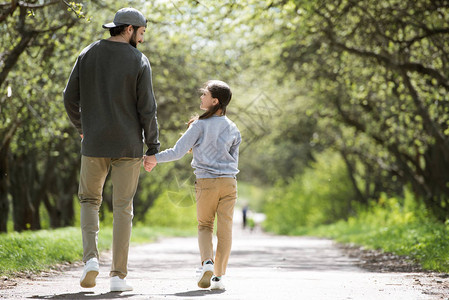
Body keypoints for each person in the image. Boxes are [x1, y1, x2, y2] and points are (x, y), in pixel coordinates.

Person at [63, 7, 159, 292]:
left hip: (94, 143)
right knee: (123, 208)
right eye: (141, 33)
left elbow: (69, 97)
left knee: (90, 201)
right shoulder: (139, 60)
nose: (141, 40)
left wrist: (83, 127)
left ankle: (90, 260)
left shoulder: (88, 53)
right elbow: (148, 109)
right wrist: (153, 145)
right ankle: (118, 277)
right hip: (128, 146)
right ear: (129, 29)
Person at [144, 80, 241, 290]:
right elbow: (234, 161)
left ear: (215, 101)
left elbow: (178, 152)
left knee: (205, 226)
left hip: (206, 182)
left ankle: (207, 263)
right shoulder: (233, 128)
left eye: (204, 94)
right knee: (225, 231)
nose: (201, 97)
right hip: (229, 183)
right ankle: (218, 278)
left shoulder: (200, 125)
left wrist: (152, 158)